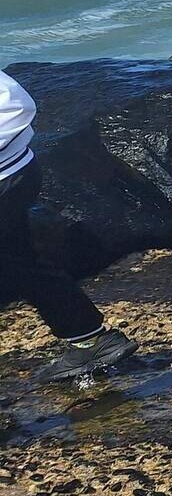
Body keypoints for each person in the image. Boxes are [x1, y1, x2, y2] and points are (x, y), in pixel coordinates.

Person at [0, 67, 135, 382]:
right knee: (16, 265)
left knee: (15, 263)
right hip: (13, 174)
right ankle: (90, 340)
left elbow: (14, 105)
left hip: (7, 177)